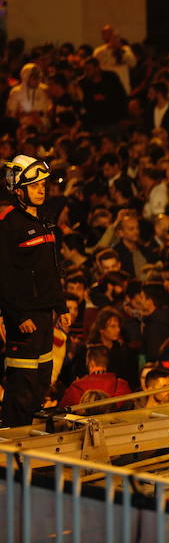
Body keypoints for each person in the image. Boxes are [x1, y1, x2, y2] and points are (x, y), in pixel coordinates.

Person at [0, 155, 71, 426]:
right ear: (18, 190)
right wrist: (17, 316)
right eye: (34, 185)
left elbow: (52, 271)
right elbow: (3, 276)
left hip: (45, 316)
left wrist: (61, 307)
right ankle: (12, 453)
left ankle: (32, 448)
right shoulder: (8, 224)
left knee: (42, 380)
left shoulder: (45, 221)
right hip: (25, 320)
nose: (42, 189)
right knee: (22, 387)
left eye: (43, 184)